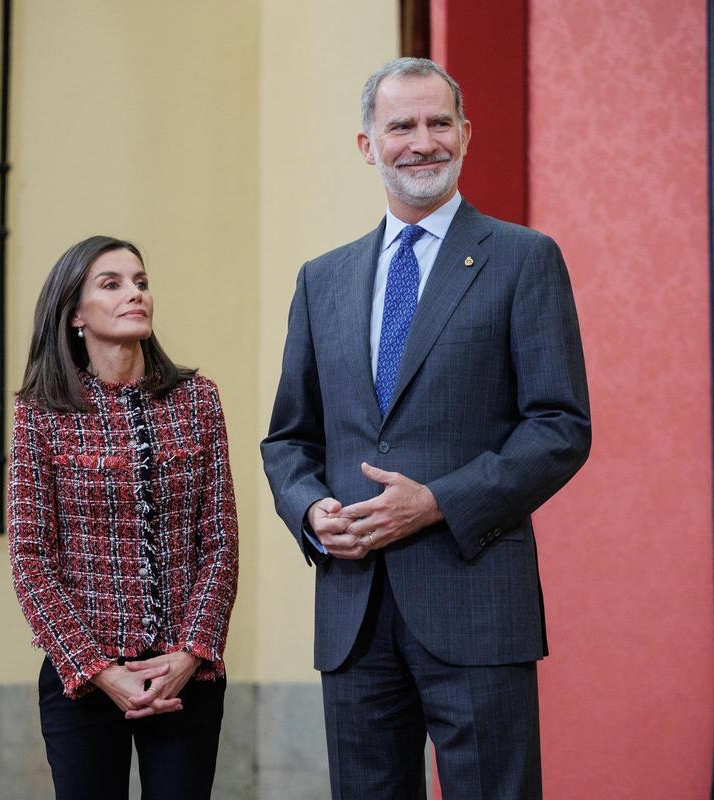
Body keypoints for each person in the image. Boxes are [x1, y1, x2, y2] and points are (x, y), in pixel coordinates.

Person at [261, 58, 590, 799]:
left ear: (466, 135)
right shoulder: (322, 280)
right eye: (400, 125)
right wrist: (311, 513)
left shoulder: (523, 260)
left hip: (475, 602)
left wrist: (438, 500)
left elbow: (560, 426)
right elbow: (288, 440)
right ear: (366, 144)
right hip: (353, 613)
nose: (422, 141)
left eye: (439, 123)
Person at [8, 235, 239, 800]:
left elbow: (221, 544)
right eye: (110, 285)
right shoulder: (41, 414)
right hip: (84, 681)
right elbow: (30, 558)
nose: (134, 294)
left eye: (140, 282)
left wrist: (189, 653)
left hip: (186, 678)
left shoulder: (197, 399)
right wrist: (97, 669)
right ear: (74, 316)